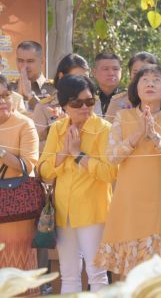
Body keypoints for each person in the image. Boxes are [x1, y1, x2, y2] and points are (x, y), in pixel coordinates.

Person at [95, 64, 161, 276]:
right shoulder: (123, 117)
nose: (150, 84)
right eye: (144, 80)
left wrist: (155, 137)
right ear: (136, 88)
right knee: (131, 271)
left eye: (156, 80)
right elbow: (111, 156)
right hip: (129, 201)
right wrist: (138, 134)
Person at [39, 75, 117, 293]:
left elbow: (110, 172)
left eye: (89, 101)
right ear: (64, 105)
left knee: (97, 274)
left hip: (94, 211)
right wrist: (64, 153)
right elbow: (44, 171)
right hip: (64, 211)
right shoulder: (57, 129)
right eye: (77, 103)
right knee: (69, 274)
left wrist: (78, 155)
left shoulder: (104, 129)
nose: (84, 107)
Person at [0, 74, 39, 280]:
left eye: (5, 95)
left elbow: (28, 165)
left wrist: (2, 153)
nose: (1, 101)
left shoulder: (24, 124)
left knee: (17, 269)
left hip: (16, 207)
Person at [32, 53, 90, 148]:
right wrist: (58, 130)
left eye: (85, 79)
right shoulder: (43, 107)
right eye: (75, 78)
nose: (81, 83)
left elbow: (100, 138)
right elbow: (35, 148)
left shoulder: (92, 103)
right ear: (61, 76)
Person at [104, 52, 159, 123]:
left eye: (146, 73)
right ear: (130, 75)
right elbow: (107, 130)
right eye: (136, 73)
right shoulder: (117, 102)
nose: (140, 77)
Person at [9, 41, 55, 111]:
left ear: (42, 61)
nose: (25, 66)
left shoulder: (54, 88)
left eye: (30, 61)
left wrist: (30, 95)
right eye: (20, 61)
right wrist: (18, 96)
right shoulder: (8, 88)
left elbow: (55, 118)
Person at [92, 53, 123, 118]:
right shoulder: (89, 97)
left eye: (115, 69)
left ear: (121, 72)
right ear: (94, 73)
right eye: (105, 69)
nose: (111, 73)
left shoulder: (129, 97)